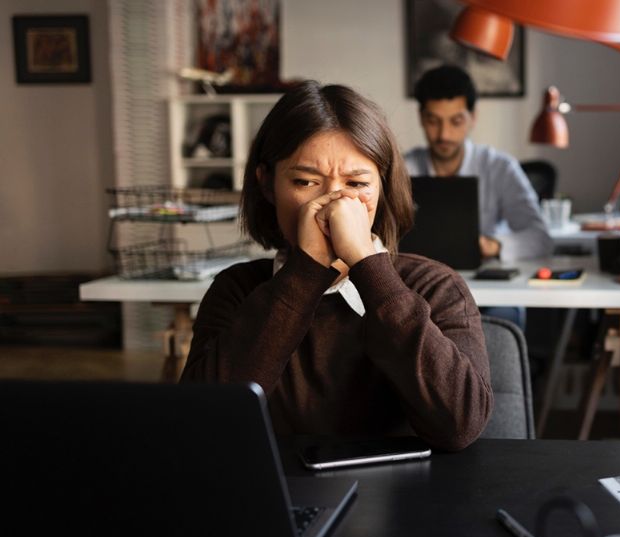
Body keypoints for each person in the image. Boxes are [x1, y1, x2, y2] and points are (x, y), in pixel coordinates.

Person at [180, 81, 492, 451]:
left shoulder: (435, 285)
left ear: (383, 187)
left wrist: (368, 267)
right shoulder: (236, 290)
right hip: (279, 498)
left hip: (404, 500)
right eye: (305, 181)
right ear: (267, 184)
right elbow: (204, 422)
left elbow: (459, 426)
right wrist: (306, 270)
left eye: (357, 183)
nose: (332, 204)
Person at [405, 65, 553, 262]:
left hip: (484, 285)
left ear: (473, 118)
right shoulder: (401, 169)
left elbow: (540, 238)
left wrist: (494, 245)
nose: (444, 134)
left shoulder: (500, 167)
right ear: (421, 118)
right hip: (417, 279)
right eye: (433, 121)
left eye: (456, 121)